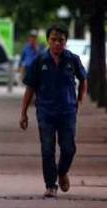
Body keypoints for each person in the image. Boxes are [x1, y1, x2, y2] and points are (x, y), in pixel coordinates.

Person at [19, 23, 87, 198]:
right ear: (48, 40)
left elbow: (83, 79)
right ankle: (51, 185)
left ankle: (62, 172)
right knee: (47, 149)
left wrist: (79, 100)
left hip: (67, 112)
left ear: (66, 41)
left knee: (69, 148)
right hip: (45, 112)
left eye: (61, 40)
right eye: (53, 40)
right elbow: (30, 88)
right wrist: (23, 113)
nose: (57, 43)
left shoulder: (72, 59)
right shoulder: (39, 61)